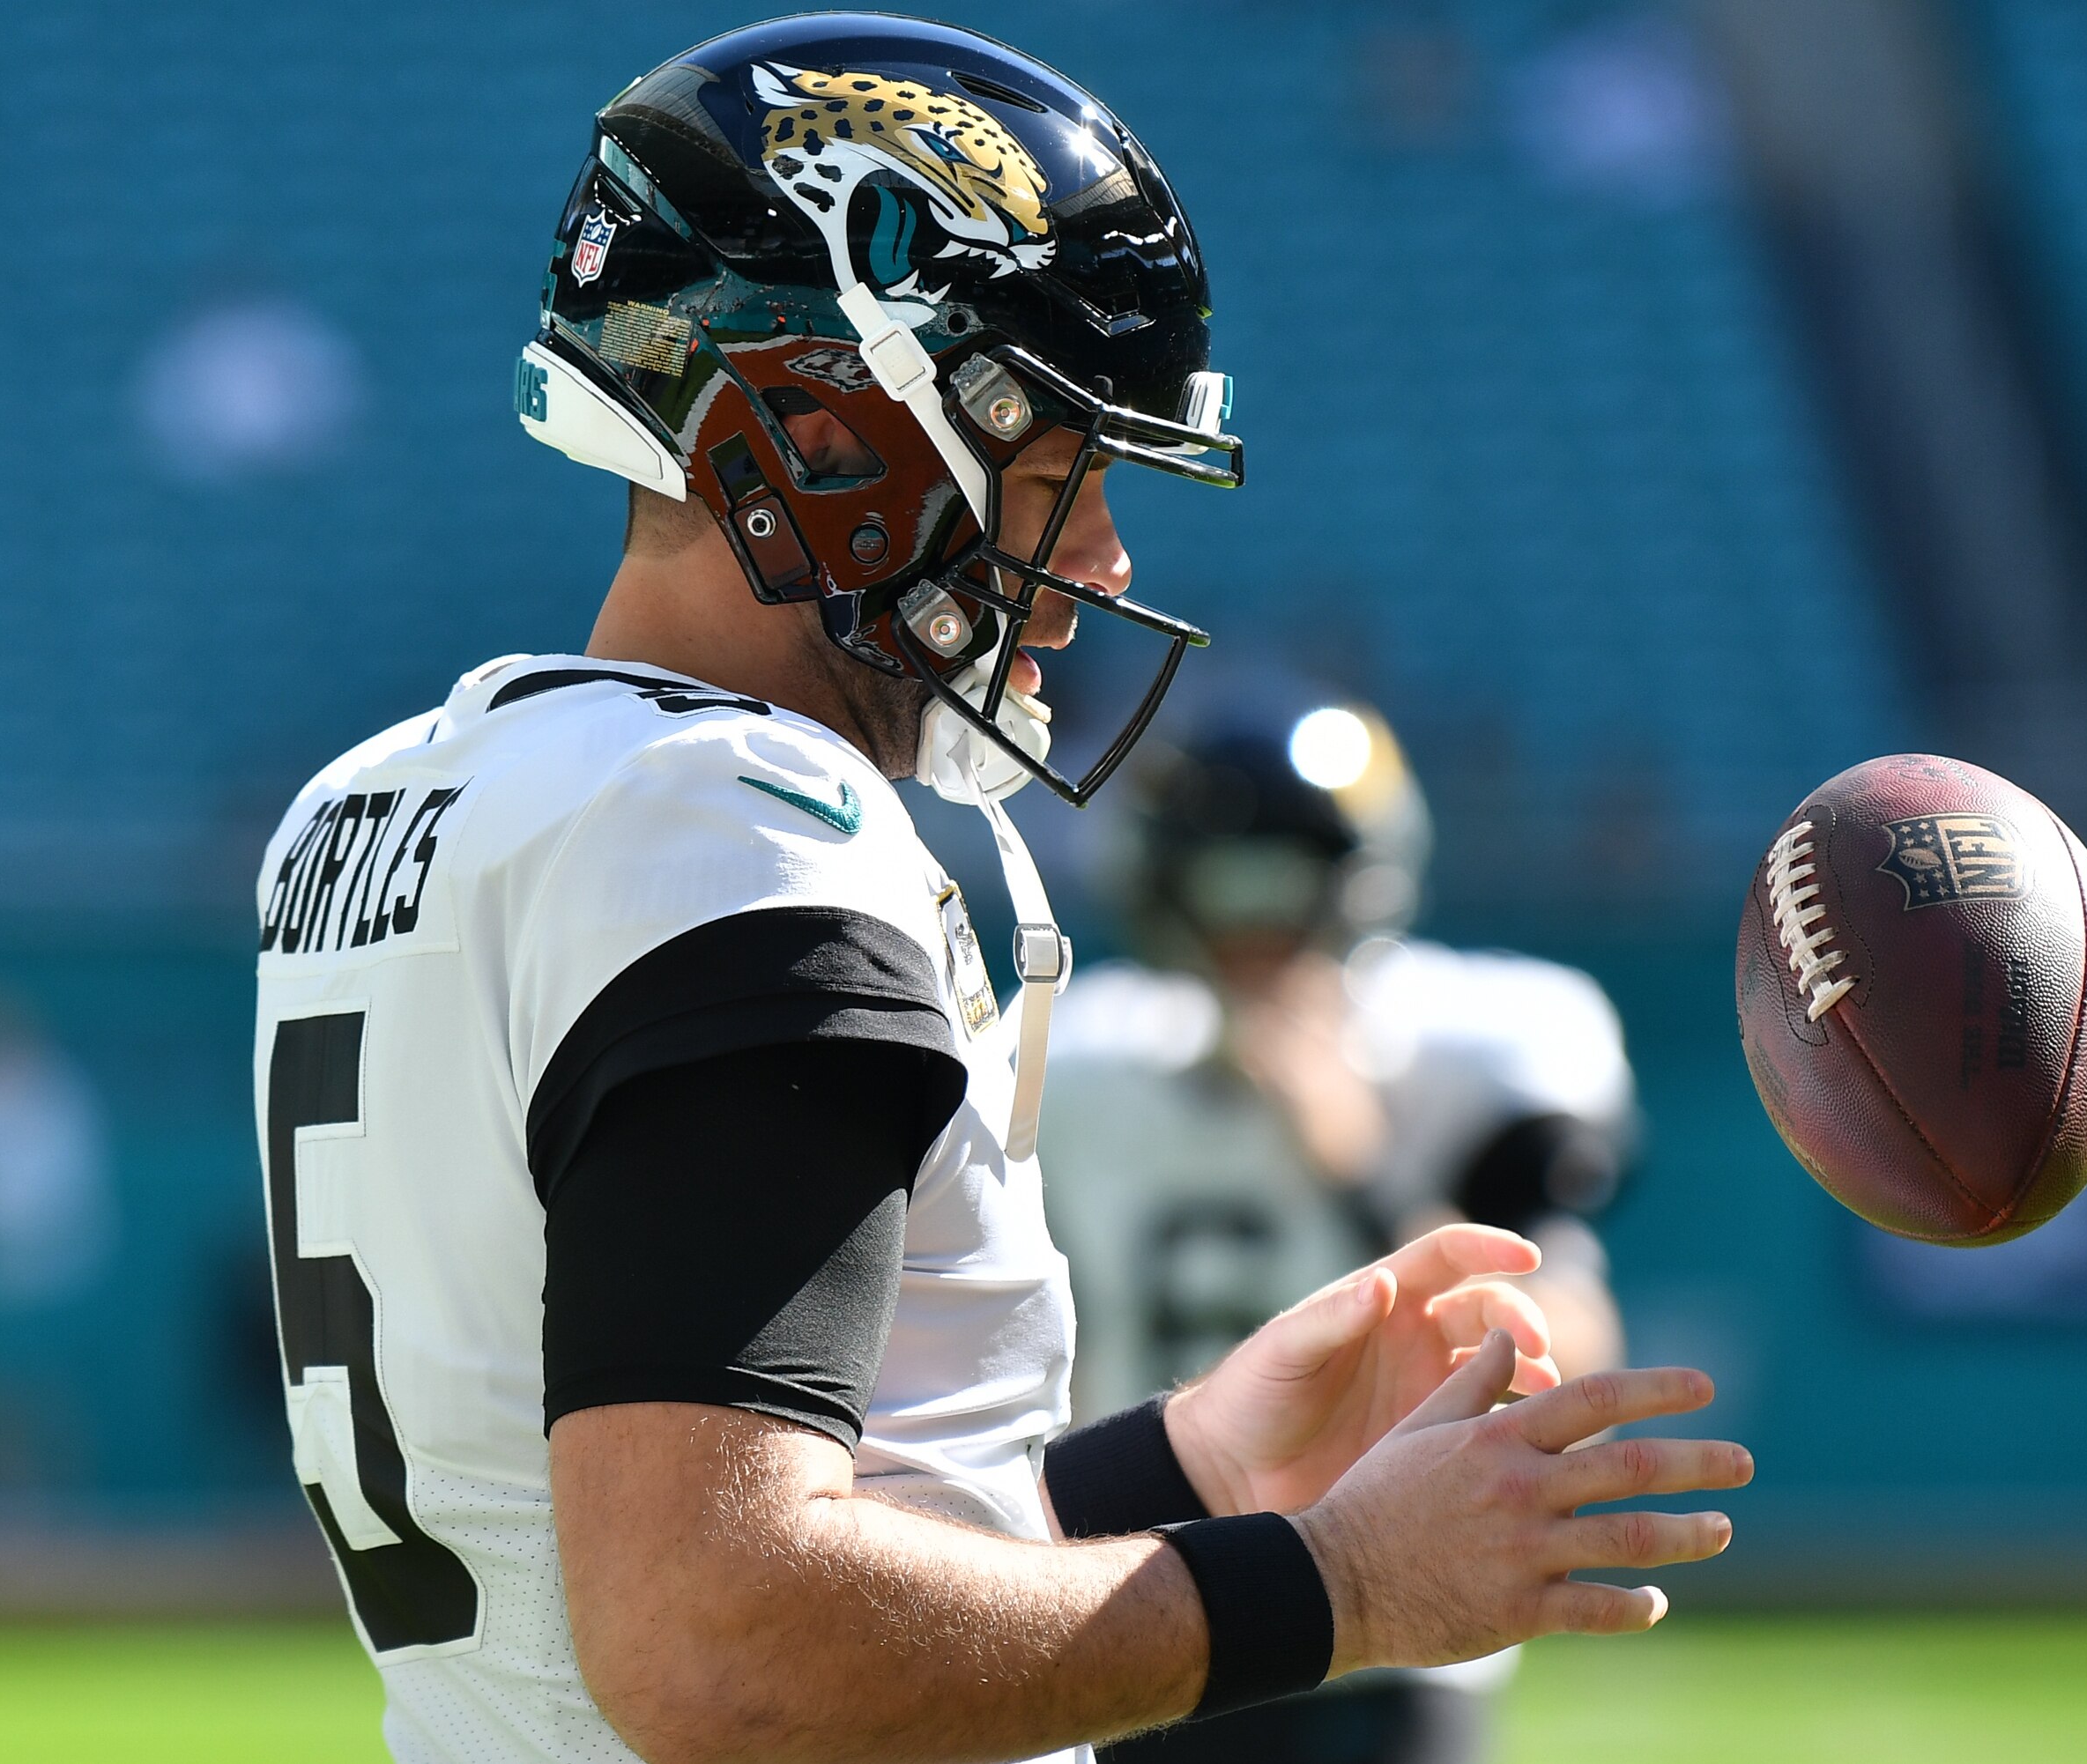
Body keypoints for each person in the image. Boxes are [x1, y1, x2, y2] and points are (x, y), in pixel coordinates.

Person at [250, 16, 1750, 1764]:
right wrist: (1340, 1583)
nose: (1101, 557)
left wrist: (1188, 1468)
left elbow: (690, 1536)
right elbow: (715, 1640)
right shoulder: (734, 831)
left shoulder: (385, 804)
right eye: (1060, 473)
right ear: (825, 437)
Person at [1045, 698, 1640, 1764]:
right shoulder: (1072, 1064)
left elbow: (1567, 1360)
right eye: (1227, 884)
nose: (1257, 929)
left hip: (1392, 1625)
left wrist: (1362, 1165)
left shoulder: (1472, 1046)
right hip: (1137, 1604)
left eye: (1283, 881)